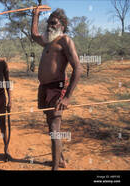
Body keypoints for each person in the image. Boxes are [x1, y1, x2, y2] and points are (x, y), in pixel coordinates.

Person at [31, 8, 83, 170]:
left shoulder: (64, 40)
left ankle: (55, 168)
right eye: (48, 23)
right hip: (44, 88)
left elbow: (78, 68)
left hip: (57, 88)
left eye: (53, 23)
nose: (49, 26)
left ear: (63, 25)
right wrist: (35, 15)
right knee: (51, 125)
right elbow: (34, 35)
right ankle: (60, 161)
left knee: (55, 128)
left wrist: (67, 97)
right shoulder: (47, 41)